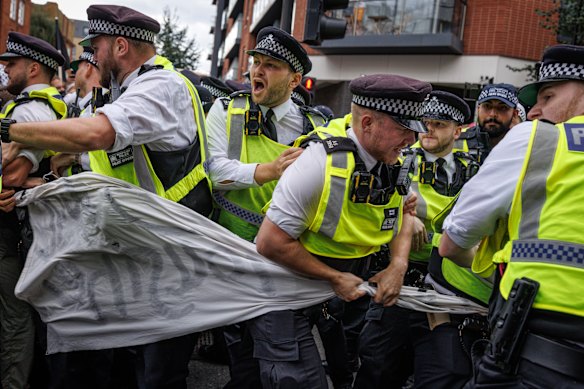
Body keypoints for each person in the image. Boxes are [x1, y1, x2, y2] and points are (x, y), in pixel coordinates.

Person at [1, 5, 212, 388]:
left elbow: (98, 135)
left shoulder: (161, 86)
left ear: (119, 45)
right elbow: (94, 159)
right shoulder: (127, 90)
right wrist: (46, 174)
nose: (92, 56)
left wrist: (12, 131)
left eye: (95, 46)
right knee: (124, 364)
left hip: (169, 256)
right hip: (137, 247)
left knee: (156, 374)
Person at [254, 74, 431, 388]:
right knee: (295, 380)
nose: (411, 141)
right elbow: (269, 242)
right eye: (404, 130)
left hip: (339, 293)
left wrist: (398, 266)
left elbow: (404, 211)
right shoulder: (316, 164)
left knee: (345, 374)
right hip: (284, 292)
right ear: (366, 123)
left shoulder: (394, 160)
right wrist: (334, 278)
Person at [439, 44, 584, 388]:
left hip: (539, 349)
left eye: (548, 97)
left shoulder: (540, 139)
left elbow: (453, 242)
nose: (535, 111)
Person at [205, 26, 327, 387]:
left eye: (271, 65)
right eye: (256, 62)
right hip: (233, 251)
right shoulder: (226, 110)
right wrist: (269, 170)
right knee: (240, 347)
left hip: (286, 254)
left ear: (295, 80)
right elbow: (213, 172)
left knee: (279, 350)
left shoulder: (317, 126)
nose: (257, 71)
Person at [354, 90, 491, 389]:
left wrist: (428, 231)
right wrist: (407, 218)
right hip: (399, 280)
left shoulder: (476, 171)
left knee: (441, 373)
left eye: (439, 124)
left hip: (448, 290)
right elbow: (373, 214)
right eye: (424, 122)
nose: (428, 130)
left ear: (458, 130)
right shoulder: (395, 161)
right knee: (378, 365)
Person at [0, 31, 67, 389]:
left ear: (34, 67)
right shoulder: (25, 106)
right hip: (18, 227)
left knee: (13, 319)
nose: (5, 69)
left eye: (11, 63)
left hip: (14, 229)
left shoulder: (32, 111)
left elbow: (11, 175)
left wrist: (20, 181)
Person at [50, 47, 102, 177]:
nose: (75, 74)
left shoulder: (103, 107)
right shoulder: (89, 104)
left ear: (88, 68)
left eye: (77, 69)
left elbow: (116, 159)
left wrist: (76, 158)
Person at [454, 83, 520, 163]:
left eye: (502, 108)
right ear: (478, 109)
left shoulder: (522, 146)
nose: (493, 114)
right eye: (487, 106)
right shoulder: (455, 139)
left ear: (514, 114)